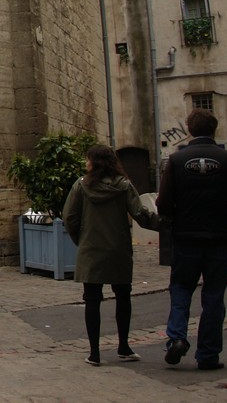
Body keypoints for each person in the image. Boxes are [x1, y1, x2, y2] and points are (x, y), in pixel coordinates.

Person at [156, 108, 227, 370]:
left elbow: (163, 202)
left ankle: (177, 337)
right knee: (213, 295)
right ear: (214, 129)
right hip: (218, 238)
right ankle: (208, 354)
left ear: (189, 129)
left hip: (186, 237)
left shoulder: (177, 160)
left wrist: (175, 219)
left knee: (181, 288)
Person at [62, 144, 159, 366]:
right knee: (123, 296)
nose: (86, 163)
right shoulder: (123, 186)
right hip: (118, 248)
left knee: (92, 299)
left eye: (88, 159)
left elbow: (69, 216)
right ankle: (124, 346)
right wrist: (164, 224)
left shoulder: (81, 185)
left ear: (94, 162)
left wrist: (81, 239)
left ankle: (94, 352)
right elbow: (140, 214)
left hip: (91, 248)